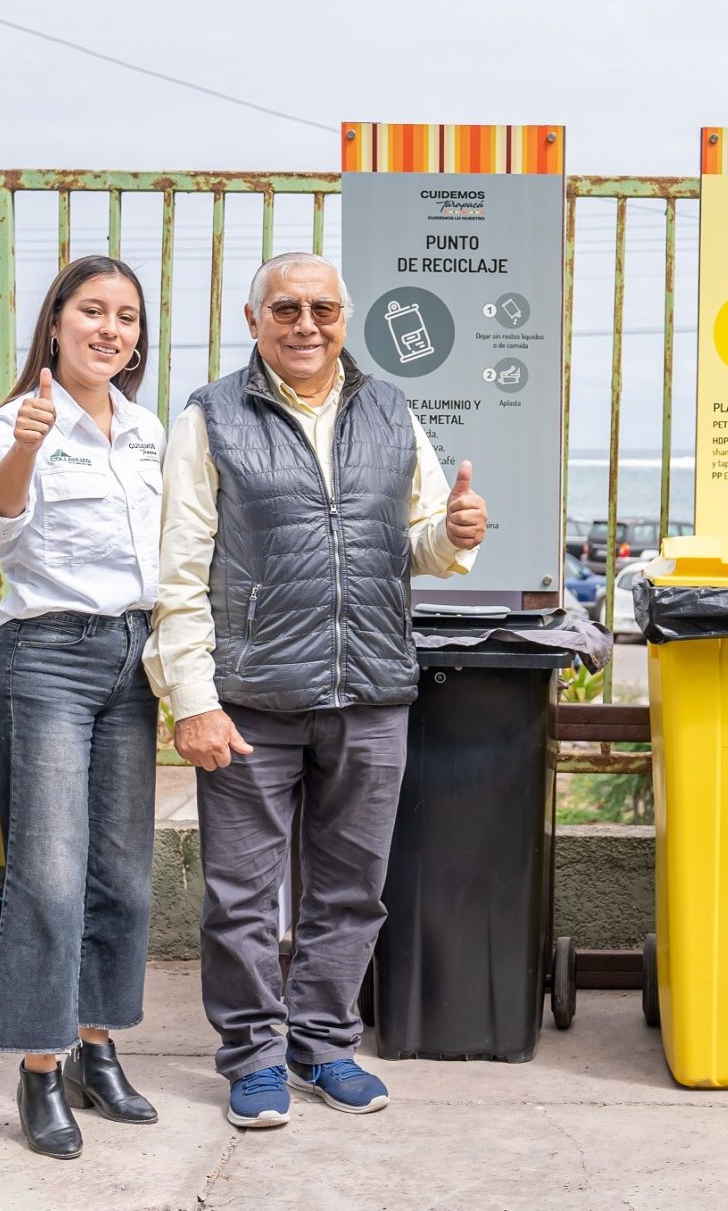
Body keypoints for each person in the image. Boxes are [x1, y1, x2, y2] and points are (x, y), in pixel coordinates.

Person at [144, 251, 489, 1130]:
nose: (307, 325)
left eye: (324, 310)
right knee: (244, 892)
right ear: (253, 318)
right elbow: (180, 571)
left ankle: (325, 1041)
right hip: (252, 695)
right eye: (287, 308)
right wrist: (193, 698)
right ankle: (253, 1055)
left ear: (346, 319)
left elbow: (407, 543)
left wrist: (451, 535)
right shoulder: (211, 416)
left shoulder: (387, 409)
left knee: (351, 887)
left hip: (370, 688)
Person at [0, 256, 164, 1159]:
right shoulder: (20, 420)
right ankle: (40, 1069)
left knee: (122, 873)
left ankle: (97, 1045)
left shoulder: (150, 431)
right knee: (49, 873)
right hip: (49, 657)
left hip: (135, 658)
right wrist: (28, 446)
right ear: (56, 322)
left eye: (125, 316)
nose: (109, 329)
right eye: (92, 310)